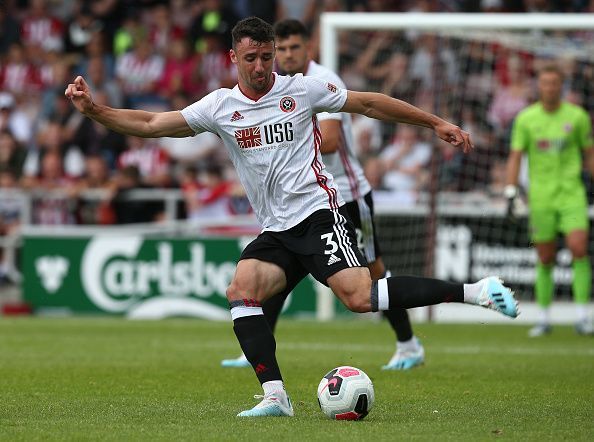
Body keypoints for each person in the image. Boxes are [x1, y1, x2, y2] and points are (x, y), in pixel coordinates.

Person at [66, 16, 518, 418]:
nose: (261, 67)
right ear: (233, 58)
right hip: (277, 229)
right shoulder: (219, 107)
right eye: (251, 58)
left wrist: (434, 122)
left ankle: (476, 291)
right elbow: (149, 124)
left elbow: (370, 103)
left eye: (266, 57)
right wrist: (96, 110)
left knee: (358, 298)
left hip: (318, 213)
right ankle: (275, 395)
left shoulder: (301, 90)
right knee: (241, 291)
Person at [221, 18, 424, 371]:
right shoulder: (272, 85)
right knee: (274, 277)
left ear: (308, 49)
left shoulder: (319, 83)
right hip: (306, 200)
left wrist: (277, 137)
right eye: (280, 49)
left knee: (373, 274)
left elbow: (329, 140)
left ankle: (408, 343)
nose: (286, 54)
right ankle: (258, 347)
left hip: (349, 194)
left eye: (293, 47)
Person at [505, 64, 594, 337]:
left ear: (562, 86)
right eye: (545, 83)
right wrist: (510, 191)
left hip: (572, 194)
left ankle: (582, 316)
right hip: (540, 197)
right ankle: (543, 317)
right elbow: (516, 156)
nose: (550, 88)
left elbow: (589, 153)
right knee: (545, 256)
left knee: (579, 248)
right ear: (539, 86)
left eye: (555, 83)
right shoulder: (526, 119)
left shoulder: (577, 117)